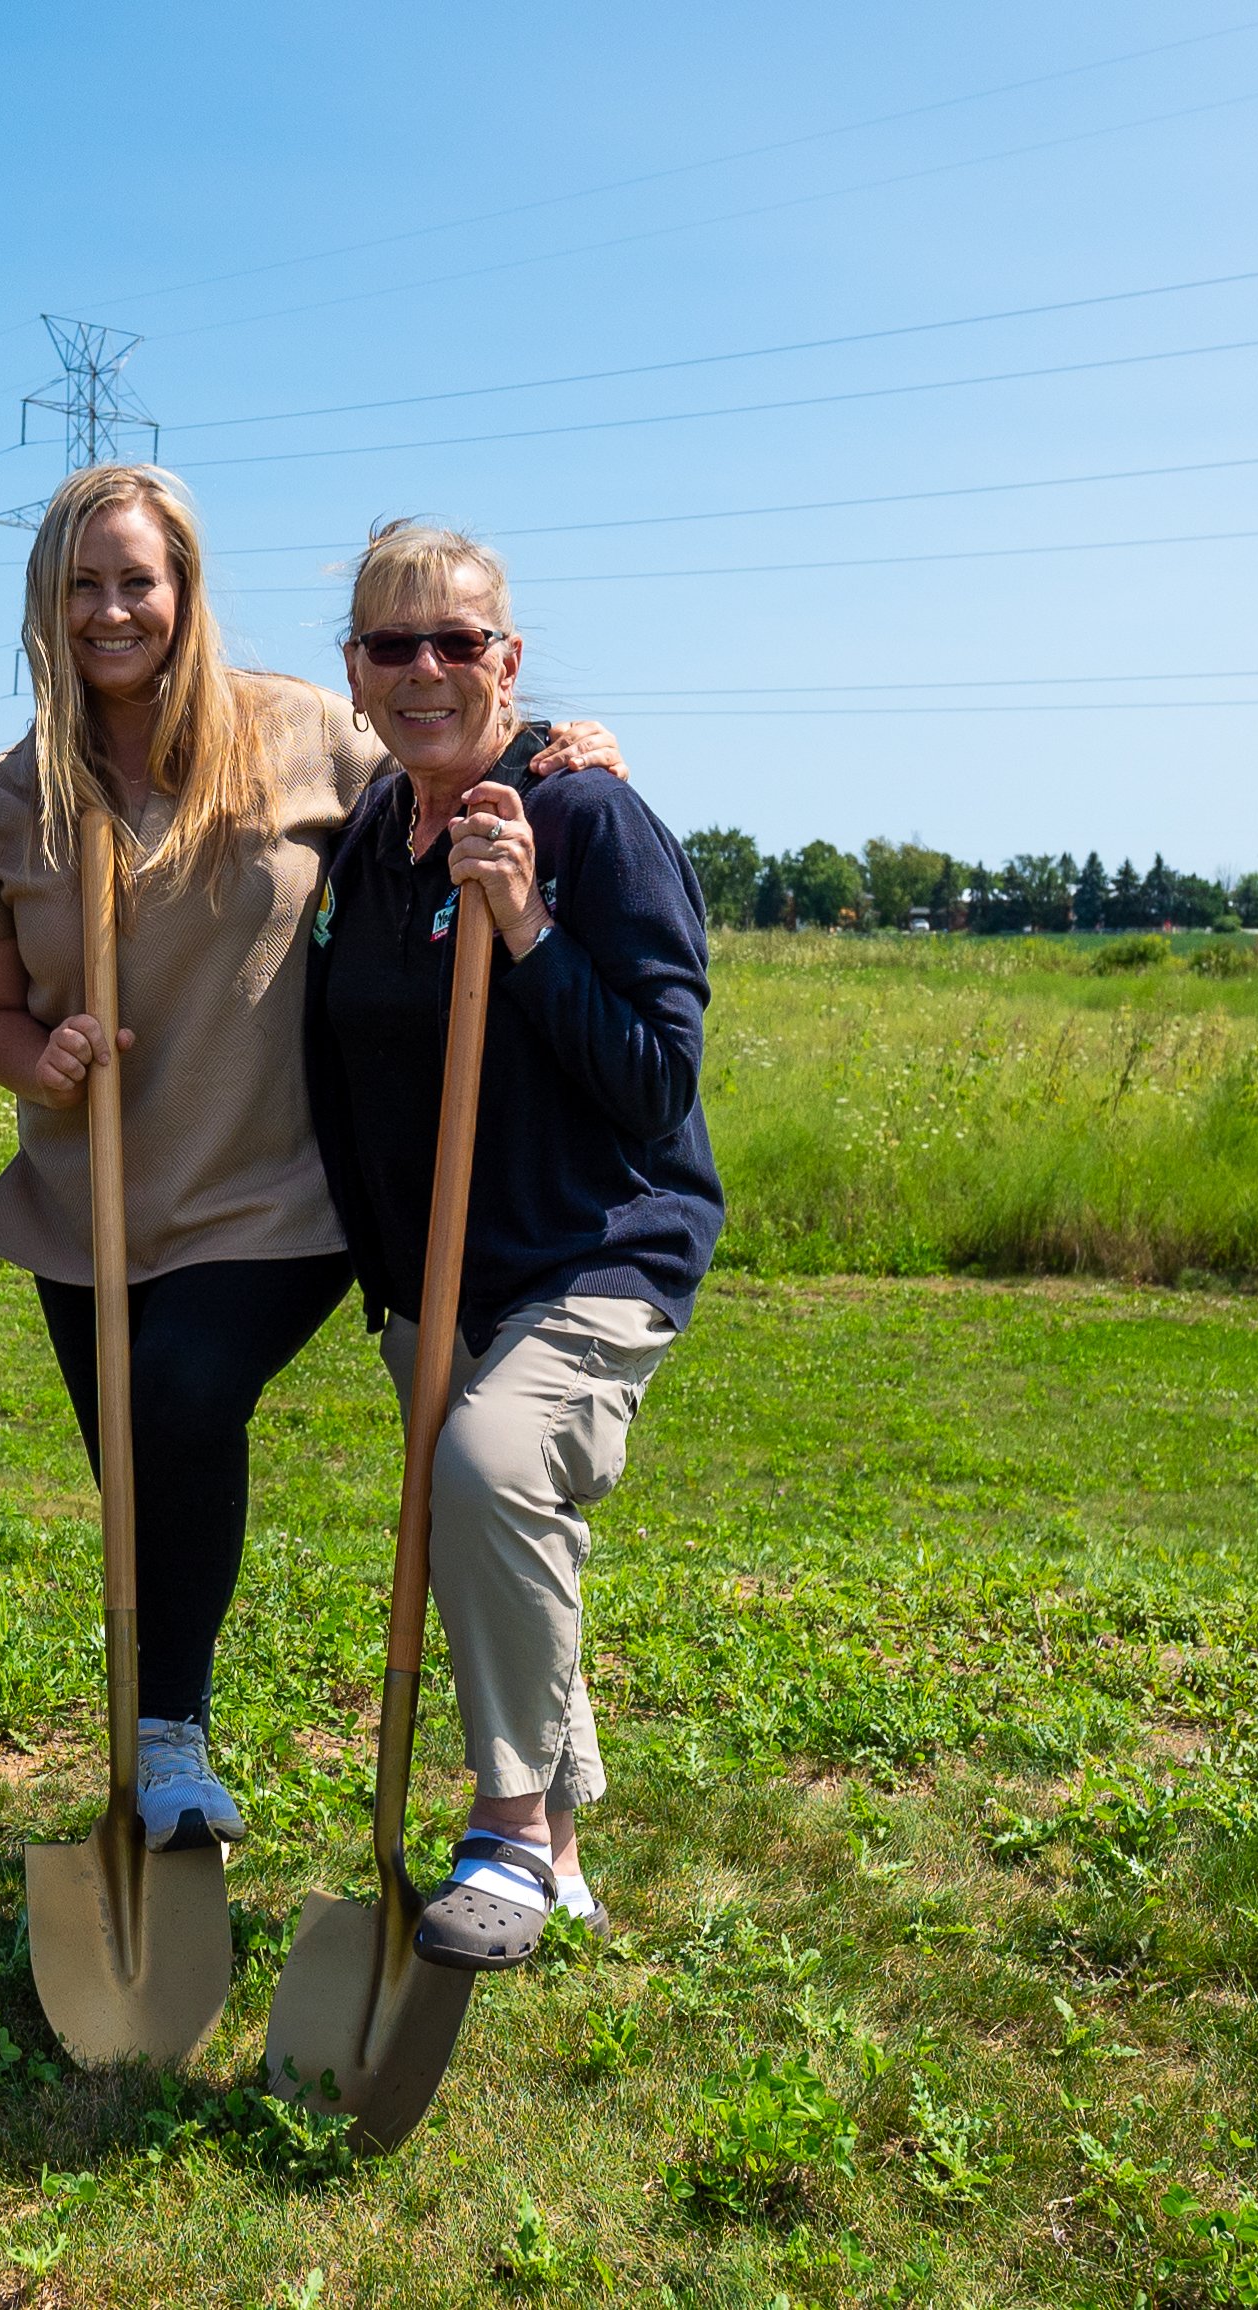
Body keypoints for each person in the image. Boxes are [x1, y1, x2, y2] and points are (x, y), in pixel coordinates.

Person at [0, 466, 622, 1852]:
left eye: (139, 578)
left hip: (280, 1188)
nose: (112, 608)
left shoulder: (299, 730)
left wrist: (550, 747)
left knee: (183, 1392)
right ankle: (158, 1742)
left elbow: (445, 767)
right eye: (82, 581)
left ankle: (174, 1739)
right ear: (43, 602)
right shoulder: (7, 799)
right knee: (138, 1473)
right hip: (93, 1197)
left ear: (183, 591)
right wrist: (34, 1055)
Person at [303, 520, 722, 1972]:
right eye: (389, 644)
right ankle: (563, 1852)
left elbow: (659, 1078)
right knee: (493, 1530)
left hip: (596, 1249)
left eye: (455, 642)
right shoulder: (369, 827)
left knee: (486, 1471)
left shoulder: (585, 815)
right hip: (436, 1268)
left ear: (509, 658)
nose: (424, 668)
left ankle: (502, 1823)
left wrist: (528, 923)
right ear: (349, 670)